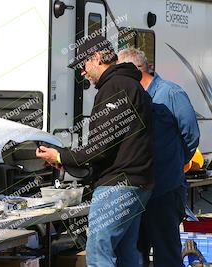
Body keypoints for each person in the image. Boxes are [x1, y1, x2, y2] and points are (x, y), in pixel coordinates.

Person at [36, 35, 154, 266]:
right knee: (126, 252)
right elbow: (115, 143)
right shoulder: (129, 84)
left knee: (99, 252)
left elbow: (101, 145)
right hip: (137, 182)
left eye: (83, 65)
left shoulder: (115, 86)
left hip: (118, 186)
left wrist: (61, 155)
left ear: (97, 58)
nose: (82, 72)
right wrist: (68, 161)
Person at [117, 47, 200, 267]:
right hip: (138, 191)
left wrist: (174, 162)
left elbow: (190, 134)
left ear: (134, 70)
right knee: (136, 252)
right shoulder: (131, 97)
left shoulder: (171, 94)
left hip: (165, 189)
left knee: (166, 253)